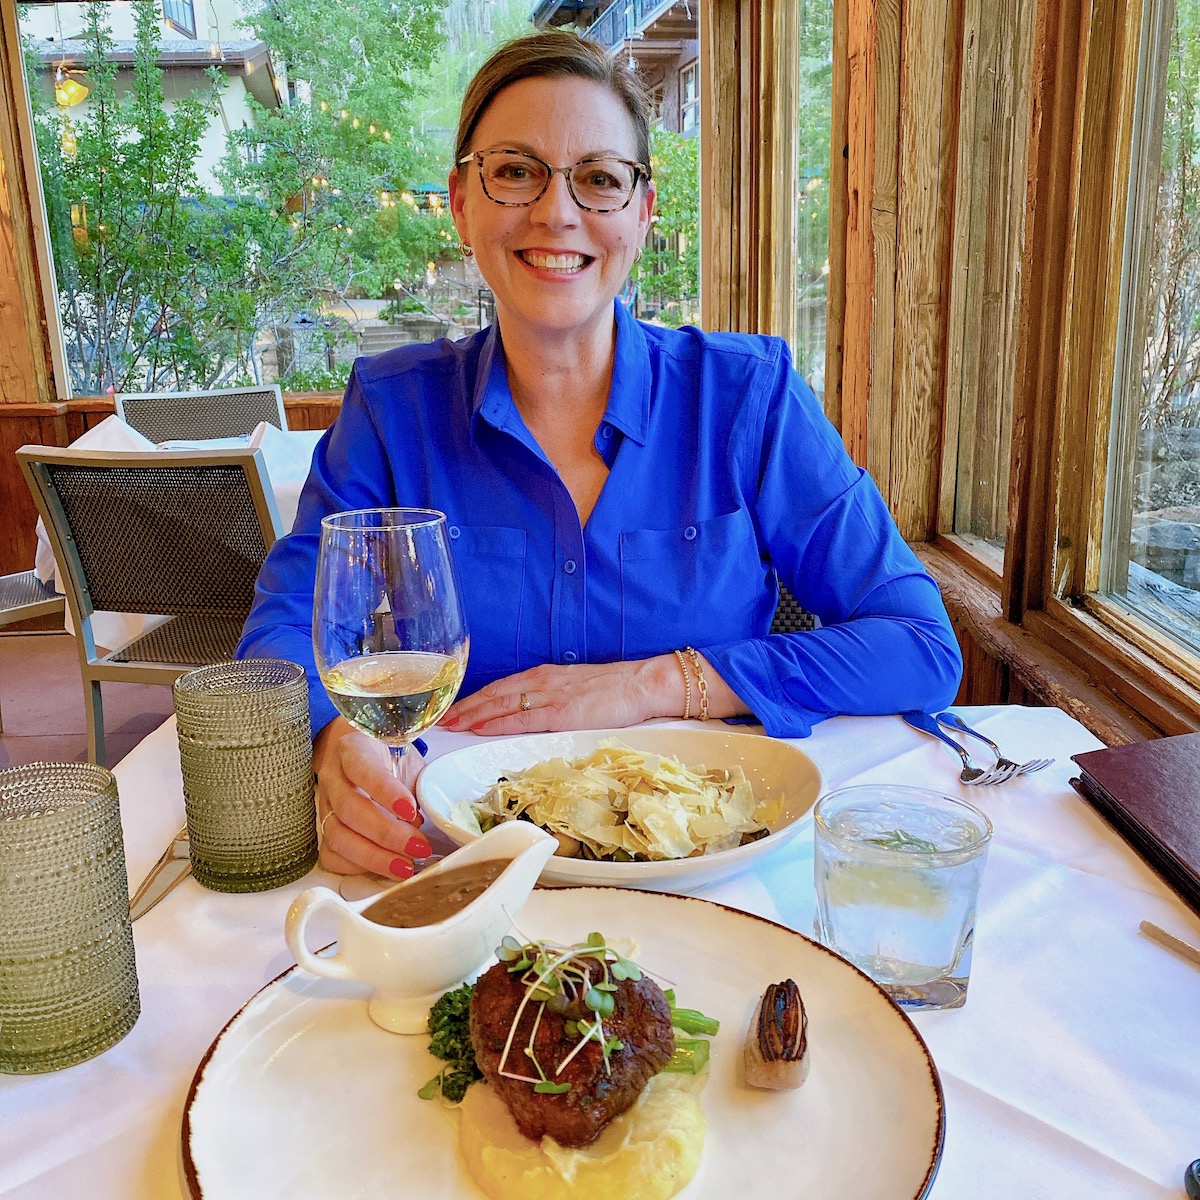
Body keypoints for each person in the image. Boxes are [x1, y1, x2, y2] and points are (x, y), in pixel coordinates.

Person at [236, 31, 963, 881]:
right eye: (515, 171)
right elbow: (287, 633)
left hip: (708, 867)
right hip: (466, 868)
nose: (557, 212)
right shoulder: (392, 409)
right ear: (462, 202)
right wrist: (334, 743)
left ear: (643, 215)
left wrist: (658, 684)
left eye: (600, 179)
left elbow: (920, 643)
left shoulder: (748, 398)